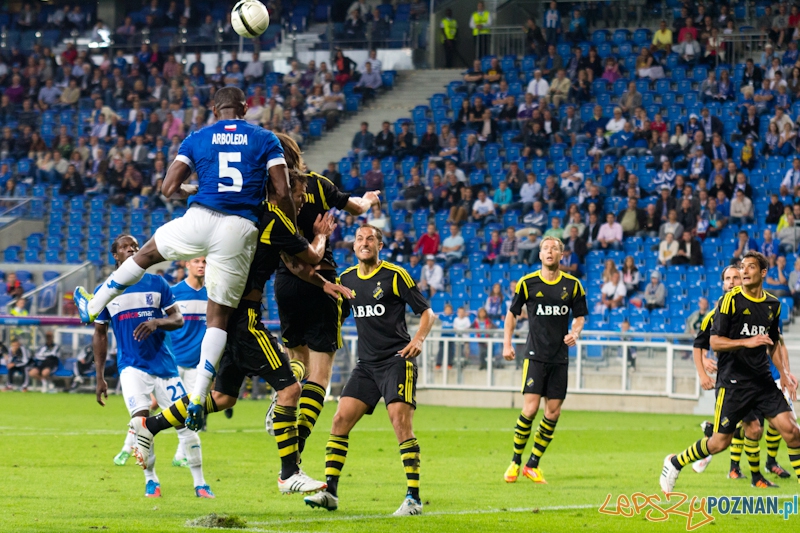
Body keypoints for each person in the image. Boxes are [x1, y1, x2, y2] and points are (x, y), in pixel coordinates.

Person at [74, 87, 296, 428]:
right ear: (245, 108)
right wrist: (291, 230)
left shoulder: (197, 138)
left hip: (200, 218)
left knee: (146, 254)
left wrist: (196, 189)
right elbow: (282, 192)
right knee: (218, 317)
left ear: (214, 108)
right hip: (238, 229)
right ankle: (196, 398)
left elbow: (167, 188)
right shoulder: (265, 138)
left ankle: (94, 304)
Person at [129, 171, 348, 495]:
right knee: (289, 390)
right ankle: (289, 472)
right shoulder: (275, 220)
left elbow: (297, 266)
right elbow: (310, 258)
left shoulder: (247, 214)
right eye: (298, 195)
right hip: (245, 319)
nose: (301, 202)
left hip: (224, 319)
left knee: (221, 397)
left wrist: (323, 283)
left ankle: (150, 425)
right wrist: (321, 235)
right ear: (283, 192)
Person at [304, 225, 435, 515]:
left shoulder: (395, 275)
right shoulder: (347, 279)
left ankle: (413, 498)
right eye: (360, 239)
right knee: (339, 421)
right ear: (354, 247)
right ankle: (331, 493)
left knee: (400, 423)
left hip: (396, 361)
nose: (365, 243)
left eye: (370, 239)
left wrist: (419, 339)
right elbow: (337, 315)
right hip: (366, 365)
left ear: (380, 245)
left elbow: (427, 312)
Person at [272, 135, 380, 455]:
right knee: (320, 374)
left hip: (285, 283)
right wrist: (371, 198)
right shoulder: (318, 184)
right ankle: (300, 438)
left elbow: (290, 260)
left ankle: (284, 395)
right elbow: (358, 206)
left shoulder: (265, 196)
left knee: (297, 361)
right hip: (323, 282)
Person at [661, 252, 800, 494]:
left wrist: (785, 374)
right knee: (718, 443)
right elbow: (713, 342)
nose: (745, 272)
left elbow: (773, 342)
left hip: (763, 381)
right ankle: (675, 462)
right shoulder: (729, 301)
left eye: (750, 267)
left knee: (792, 432)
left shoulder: (773, 305)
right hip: (733, 383)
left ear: (763, 273)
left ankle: (757, 474)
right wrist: (745, 343)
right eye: (742, 267)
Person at [92, 235, 212, 498]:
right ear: (116, 255)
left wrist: (157, 323)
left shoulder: (157, 283)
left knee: (186, 424)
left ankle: (200, 483)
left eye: (135, 247)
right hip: (132, 366)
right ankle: (151, 480)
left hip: (166, 366)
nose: (133, 250)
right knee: (140, 423)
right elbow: (99, 334)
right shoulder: (107, 290)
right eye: (126, 247)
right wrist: (100, 376)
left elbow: (177, 318)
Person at [502, 236, 587, 484]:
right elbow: (512, 314)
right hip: (535, 356)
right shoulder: (527, 283)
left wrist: (575, 332)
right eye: (545, 248)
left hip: (560, 357)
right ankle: (515, 462)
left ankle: (533, 464)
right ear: (539, 255)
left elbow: (580, 316)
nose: (550, 252)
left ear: (562, 255)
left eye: (554, 249)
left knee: (553, 412)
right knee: (530, 409)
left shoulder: (573, 285)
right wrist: (507, 343)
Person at [164, 256, 217, 466]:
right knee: (158, 406)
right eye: (196, 261)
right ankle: (133, 441)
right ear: (187, 264)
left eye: (205, 262)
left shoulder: (212, 295)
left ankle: (180, 455)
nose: (201, 265)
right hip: (173, 362)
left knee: (193, 408)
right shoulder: (173, 293)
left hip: (198, 364)